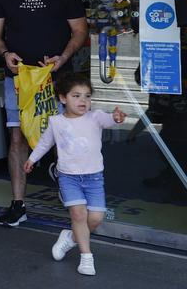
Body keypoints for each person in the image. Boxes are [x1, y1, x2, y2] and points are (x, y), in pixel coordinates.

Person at [0, 0, 87, 227]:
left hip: (57, 77)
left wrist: (63, 57)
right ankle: (18, 204)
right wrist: (5, 53)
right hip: (20, 77)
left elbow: (79, 31)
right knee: (17, 136)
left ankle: (73, 203)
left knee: (62, 135)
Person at [24, 74, 126, 276]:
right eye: (76, 96)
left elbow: (109, 119)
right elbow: (45, 143)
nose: (83, 101)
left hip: (94, 177)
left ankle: (70, 237)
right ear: (63, 98)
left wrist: (116, 117)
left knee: (95, 218)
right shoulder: (56, 122)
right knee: (78, 215)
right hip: (69, 177)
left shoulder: (95, 117)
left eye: (87, 96)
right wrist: (32, 159)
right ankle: (86, 257)